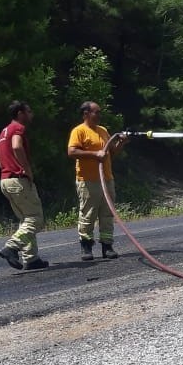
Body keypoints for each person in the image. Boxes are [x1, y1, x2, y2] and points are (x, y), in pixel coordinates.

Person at [0, 101, 49, 270]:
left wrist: (5, 167)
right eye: (28, 111)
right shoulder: (18, 128)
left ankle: (31, 259)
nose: (31, 114)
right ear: (20, 113)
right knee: (36, 219)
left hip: (6, 180)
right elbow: (17, 146)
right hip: (18, 180)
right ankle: (11, 247)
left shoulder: (4, 131)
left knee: (26, 219)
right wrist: (26, 169)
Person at [68, 101, 126, 260]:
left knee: (107, 214)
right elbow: (71, 152)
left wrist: (121, 142)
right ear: (86, 114)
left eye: (100, 112)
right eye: (97, 112)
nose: (99, 115)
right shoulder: (79, 131)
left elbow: (111, 153)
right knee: (88, 214)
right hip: (88, 180)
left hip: (107, 179)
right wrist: (94, 155)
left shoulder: (103, 130)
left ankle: (107, 246)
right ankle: (86, 247)